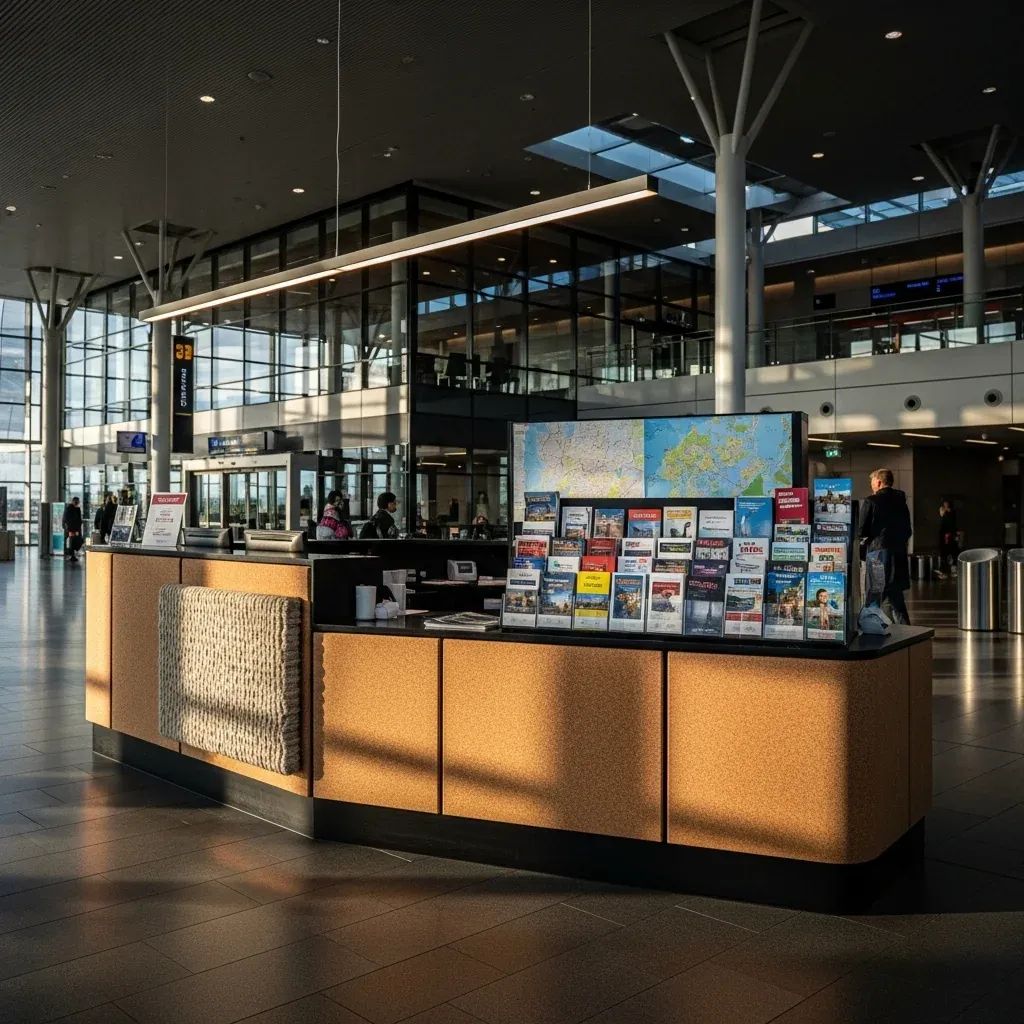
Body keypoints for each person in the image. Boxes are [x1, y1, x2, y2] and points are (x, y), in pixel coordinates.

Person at [858, 467, 912, 625]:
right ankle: (906, 630)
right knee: (896, 596)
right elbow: (908, 529)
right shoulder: (901, 502)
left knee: (874, 593)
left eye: (872, 481)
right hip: (898, 554)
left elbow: (861, 530)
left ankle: (871, 629)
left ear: (879, 482)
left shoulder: (871, 501)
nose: (871, 485)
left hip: (878, 554)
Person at [935, 500, 959, 579]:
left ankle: (952, 570)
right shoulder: (944, 513)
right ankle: (944, 571)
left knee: (952, 552)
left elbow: (952, 525)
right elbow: (942, 514)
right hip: (945, 535)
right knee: (945, 553)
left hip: (949, 535)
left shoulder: (951, 514)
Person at [62, 497, 83, 563]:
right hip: (72, 529)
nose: (77, 503)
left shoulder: (75, 509)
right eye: (77, 501)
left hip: (74, 529)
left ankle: (72, 555)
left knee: (75, 541)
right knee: (72, 542)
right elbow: (66, 519)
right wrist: (69, 529)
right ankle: (72, 555)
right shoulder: (70, 508)